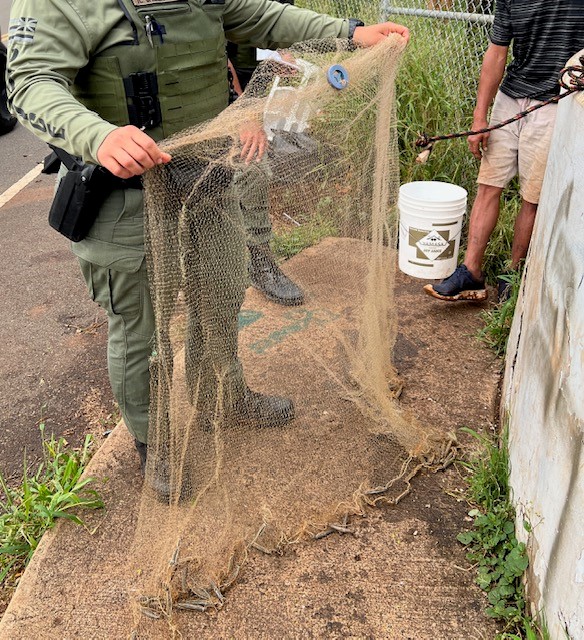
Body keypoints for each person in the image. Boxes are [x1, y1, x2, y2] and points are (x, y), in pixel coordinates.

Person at [7, 0, 409, 476]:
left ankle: (220, 397)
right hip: (124, 196)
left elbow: (262, 16)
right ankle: (153, 441)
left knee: (222, 291)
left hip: (209, 180)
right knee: (141, 331)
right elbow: (31, 84)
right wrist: (99, 137)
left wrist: (351, 32)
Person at [424, 0, 584, 303]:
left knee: (532, 198)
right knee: (488, 184)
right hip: (510, 96)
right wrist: (479, 117)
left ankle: (514, 277)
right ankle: (471, 273)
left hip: (556, 103)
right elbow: (497, 51)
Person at [227, 3, 305, 308]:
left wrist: (284, 53)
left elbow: (282, 20)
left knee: (252, 167)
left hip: (253, 77)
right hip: (210, 82)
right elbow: (215, 58)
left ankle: (260, 262)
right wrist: (243, 113)